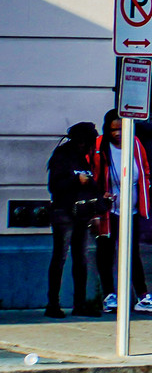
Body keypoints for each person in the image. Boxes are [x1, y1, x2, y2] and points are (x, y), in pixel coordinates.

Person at [94, 110, 152, 315]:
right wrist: (100, 195)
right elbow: (93, 174)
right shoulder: (100, 147)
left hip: (130, 211)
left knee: (133, 254)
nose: (117, 134)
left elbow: (144, 169)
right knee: (106, 253)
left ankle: (142, 296)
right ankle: (109, 295)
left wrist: (145, 187)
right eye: (113, 129)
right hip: (109, 212)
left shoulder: (135, 144)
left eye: (121, 129)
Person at [45, 123, 101, 318]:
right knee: (61, 257)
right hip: (63, 212)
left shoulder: (83, 157)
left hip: (81, 213)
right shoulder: (62, 156)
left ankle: (80, 303)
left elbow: (91, 184)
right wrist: (77, 181)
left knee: (81, 260)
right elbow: (54, 186)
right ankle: (53, 304)